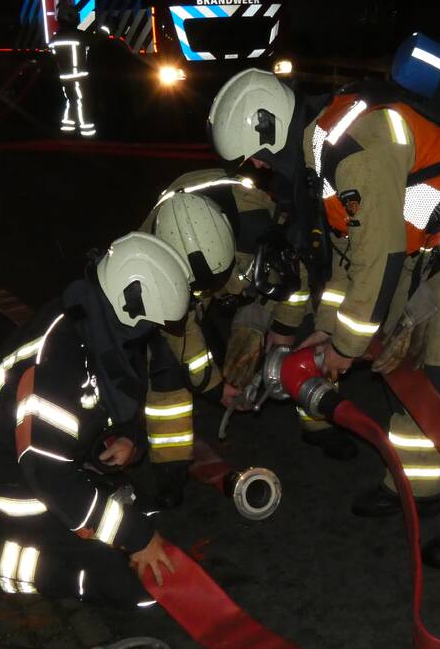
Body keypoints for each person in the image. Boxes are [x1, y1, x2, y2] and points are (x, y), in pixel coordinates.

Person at [207, 68, 440, 568]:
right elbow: (350, 258)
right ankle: (416, 487)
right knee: (406, 369)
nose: (259, 169)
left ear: (270, 129)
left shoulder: (353, 148)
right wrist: (327, 329)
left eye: (258, 158)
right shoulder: (320, 152)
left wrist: (344, 347)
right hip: (421, 245)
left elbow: (378, 259)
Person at [0, 232, 190, 613]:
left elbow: (108, 401)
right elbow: (51, 477)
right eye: (151, 326)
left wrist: (128, 439)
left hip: (55, 463)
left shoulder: (95, 326)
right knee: (129, 588)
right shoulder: (57, 361)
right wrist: (136, 538)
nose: (151, 335)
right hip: (13, 487)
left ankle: (51, 541)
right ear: (131, 309)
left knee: (134, 523)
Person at [139, 169, 356, 508]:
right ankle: (170, 466)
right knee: (167, 367)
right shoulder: (153, 264)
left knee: (306, 335)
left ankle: (320, 422)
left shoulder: (259, 219)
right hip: (180, 287)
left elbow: (295, 279)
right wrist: (211, 385)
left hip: (246, 264)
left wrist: (282, 332)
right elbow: (180, 334)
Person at [50, 0, 96, 137]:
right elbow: (93, 41)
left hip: (64, 77)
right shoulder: (78, 36)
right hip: (78, 76)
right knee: (82, 102)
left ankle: (68, 127)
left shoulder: (56, 39)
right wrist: (105, 31)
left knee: (71, 100)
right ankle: (86, 129)